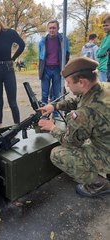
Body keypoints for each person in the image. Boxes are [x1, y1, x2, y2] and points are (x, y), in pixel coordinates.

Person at [38, 57, 110, 197]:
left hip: (106, 152)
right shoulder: (103, 86)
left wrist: (52, 127)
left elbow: (69, 142)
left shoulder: (85, 112)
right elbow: (79, 99)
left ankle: (99, 184)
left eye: (69, 83)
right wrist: (54, 106)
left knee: (58, 154)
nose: (68, 86)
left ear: (82, 82)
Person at [38, 20, 70, 113]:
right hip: (46, 69)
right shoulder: (42, 41)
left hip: (57, 69)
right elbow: (40, 58)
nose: (52, 30)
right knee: (44, 94)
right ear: (47, 29)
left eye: (54, 28)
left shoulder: (63, 40)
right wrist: (40, 71)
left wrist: (63, 68)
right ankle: (44, 114)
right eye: (50, 28)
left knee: (57, 94)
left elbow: (67, 54)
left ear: (58, 29)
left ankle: (56, 115)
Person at [96, 14, 110, 82]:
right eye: (103, 26)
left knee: (106, 90)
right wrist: (101, 52)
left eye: (106, 25)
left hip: (105, 68)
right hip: (102, 67)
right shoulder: (106, 37)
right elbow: (98, 53)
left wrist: (101, 53)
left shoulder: (109, 37)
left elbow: (100, 52)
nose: (104, 27)